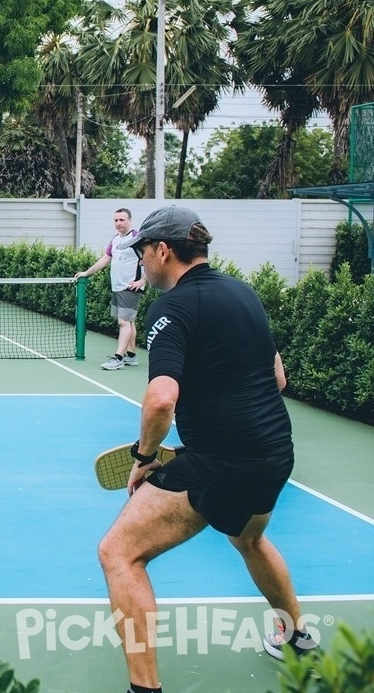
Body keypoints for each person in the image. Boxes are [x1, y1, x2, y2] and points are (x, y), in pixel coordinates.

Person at [97, 205, 312, 693]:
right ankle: (297, 634)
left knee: (119, 553)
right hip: (276, 453)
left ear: (163, 251)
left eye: (144, 252)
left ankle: (143, 689)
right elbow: (276, 378)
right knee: (249, 539)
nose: (142, 263)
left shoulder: (170, 307)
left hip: (221, 463)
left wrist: (145, 457)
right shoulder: (243, 293)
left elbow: (160, 400)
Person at [74, 208, 146, 370]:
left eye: (122, 220)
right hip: (117, 286)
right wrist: (87, 273)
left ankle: (118, 358)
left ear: (130, 221)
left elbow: (150, 258)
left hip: (130, 287)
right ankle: (131, 356)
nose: (119, 223)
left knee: (123, 322)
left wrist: (142, 281)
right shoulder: (115, 240)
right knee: (129, 321)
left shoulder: (137, 238)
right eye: (116, 220)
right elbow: (106, 258)